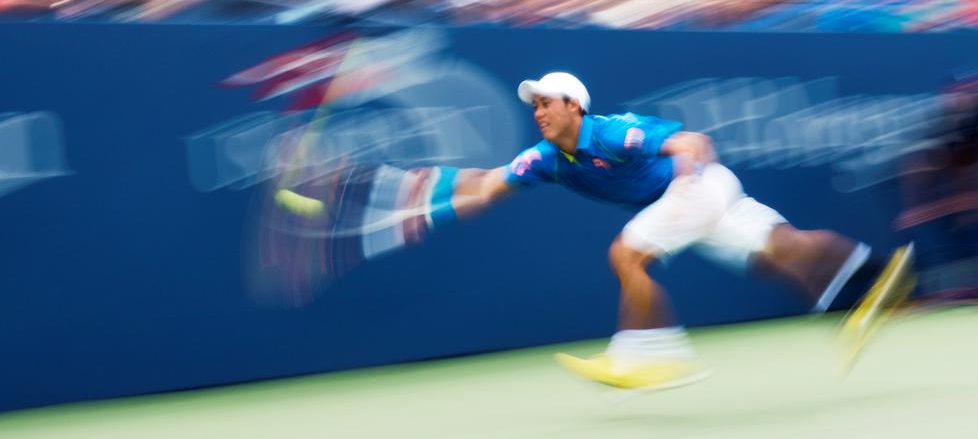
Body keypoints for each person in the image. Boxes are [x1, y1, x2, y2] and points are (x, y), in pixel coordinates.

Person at [279, 71, 915, 390]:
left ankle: (653, 356)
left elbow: (692, 139)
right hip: (696, 199)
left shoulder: (611, 130)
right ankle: (879, 269)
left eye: (545, 104)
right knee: (784, 251)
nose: (536, 112)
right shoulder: (545, 159)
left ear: (574, 106)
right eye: (532, 106)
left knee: (628, 253)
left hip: (694, 185)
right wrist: (412, 202)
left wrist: (689, 170)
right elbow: (483, 189)